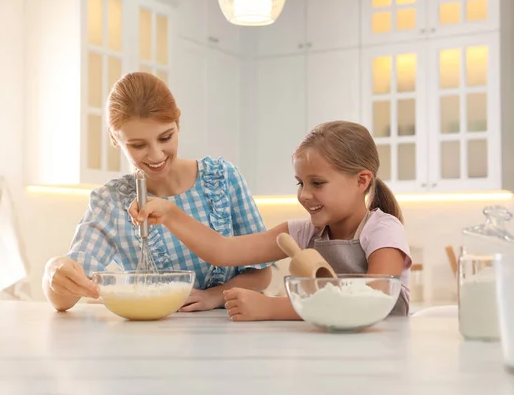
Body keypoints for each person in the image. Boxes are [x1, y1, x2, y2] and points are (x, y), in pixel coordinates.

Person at [128, 120, 412, 321]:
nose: (305, 194)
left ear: (361, 180)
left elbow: (374, 296)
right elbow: (224, 251)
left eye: (317, 183)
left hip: (383, 348)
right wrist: (171, 215)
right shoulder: (302, 233)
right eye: (300, 183)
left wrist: (271, 307)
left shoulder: (383, 229)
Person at [43, 72, 272, 312]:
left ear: (178, 123)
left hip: (233, 327)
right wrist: (54, 270)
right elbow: (64, 296)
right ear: (114, 138)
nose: (156, 155)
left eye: (166, 137)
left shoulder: (223, 179)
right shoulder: (110, 202)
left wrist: (213, 297)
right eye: (138, 145)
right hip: (154, 337)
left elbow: (261, 273)